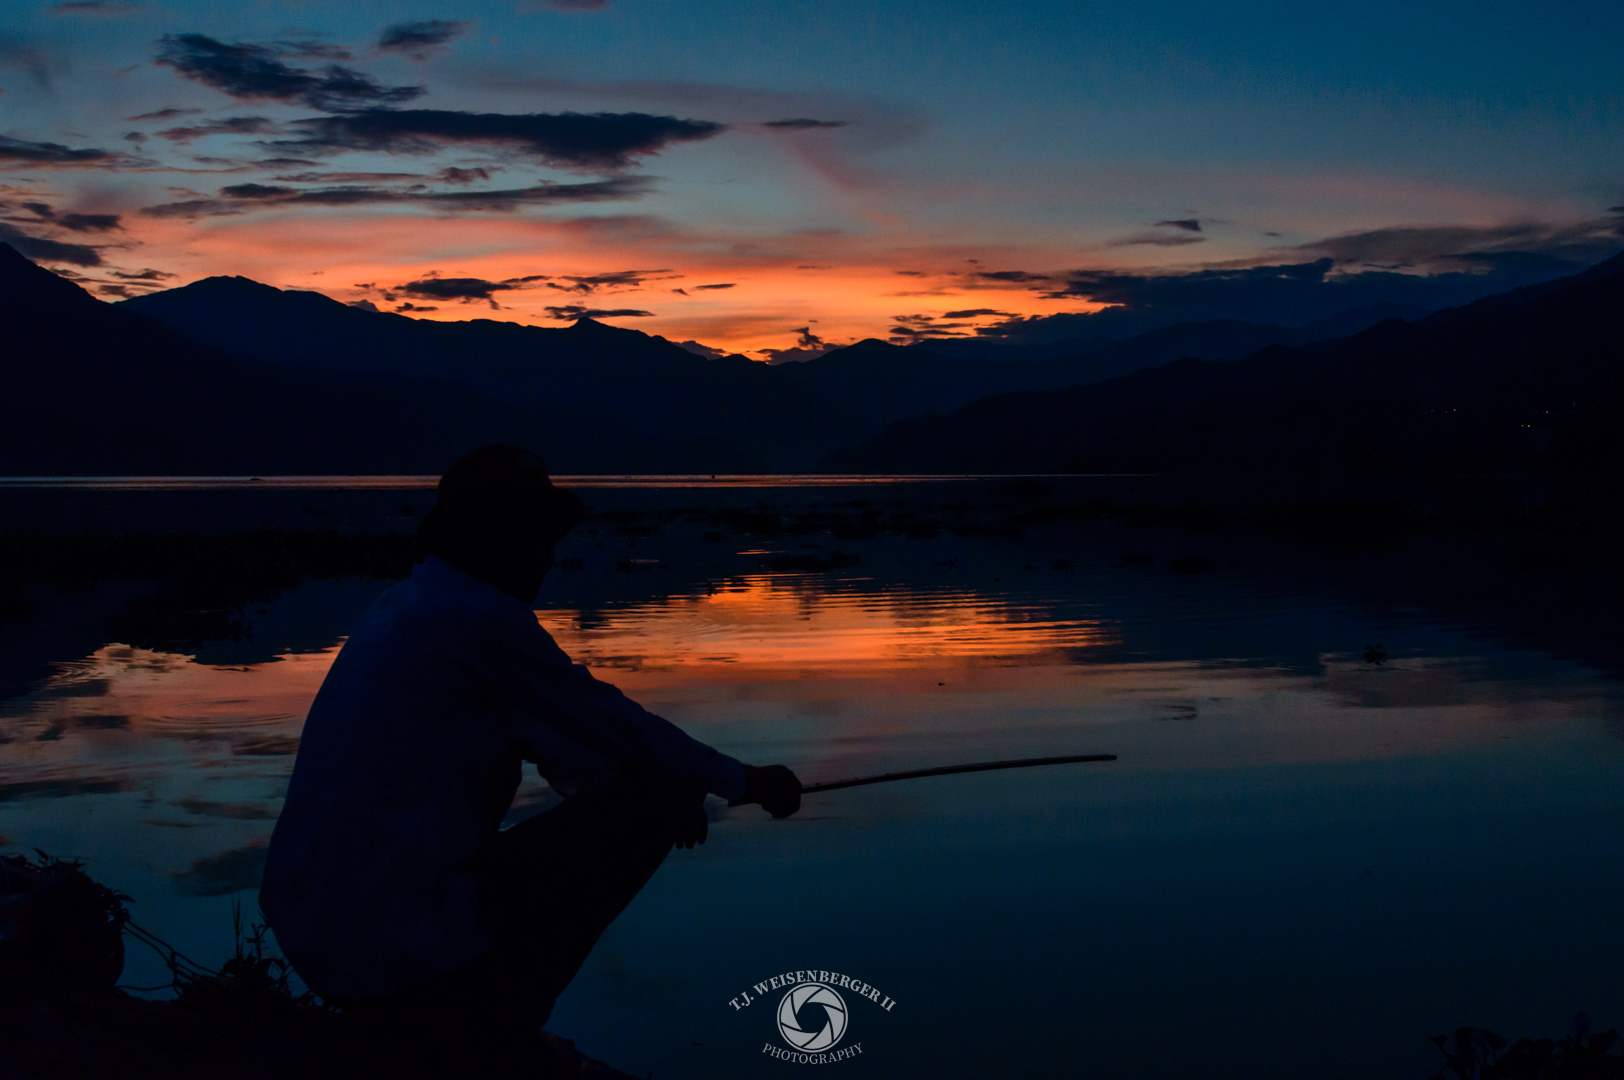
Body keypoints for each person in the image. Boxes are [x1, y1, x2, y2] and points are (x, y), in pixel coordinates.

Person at [259, 446, 801, 1067]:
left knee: (657, 789)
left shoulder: (403, 609)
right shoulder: (477, 619)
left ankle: (474, 1013)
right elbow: (611, 721)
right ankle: (499, 1023)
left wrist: (669, 784)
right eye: (530, 536)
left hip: (321, 945)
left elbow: (570, 748)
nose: (544, 557)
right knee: (657, 795)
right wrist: (741, 780)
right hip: (385, 949)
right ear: (484, 534)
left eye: (546, 538)